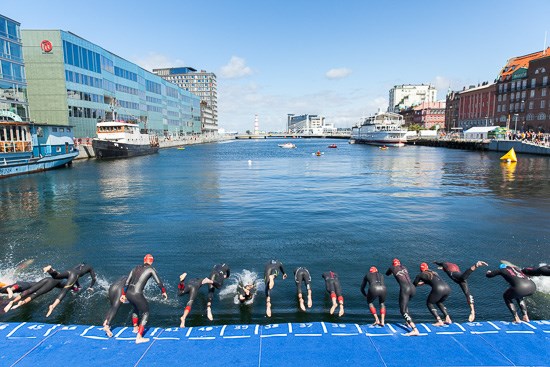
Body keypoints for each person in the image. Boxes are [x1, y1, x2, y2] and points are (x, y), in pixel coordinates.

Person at [120, 254, 167, 344]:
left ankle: (135, 328)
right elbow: (159, 282)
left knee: (136, 308)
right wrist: (163, 292)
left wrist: (123, 294)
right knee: (146, 312)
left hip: (128, 293)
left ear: (144, 260)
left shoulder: (135, 268)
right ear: (151, 261)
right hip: (137, 294)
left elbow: (126, 282)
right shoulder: (151, 269)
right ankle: (139, 337)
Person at [385, 258, 419, 336]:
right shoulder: (404, 267)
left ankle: (414, 329)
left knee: (402, 310)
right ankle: (408, 322)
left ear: (393, 264)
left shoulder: (392, 268)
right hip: (413, 288)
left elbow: (387, 273)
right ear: (399, 263)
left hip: (405, 289)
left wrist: (392, 272)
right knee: (405, 304)